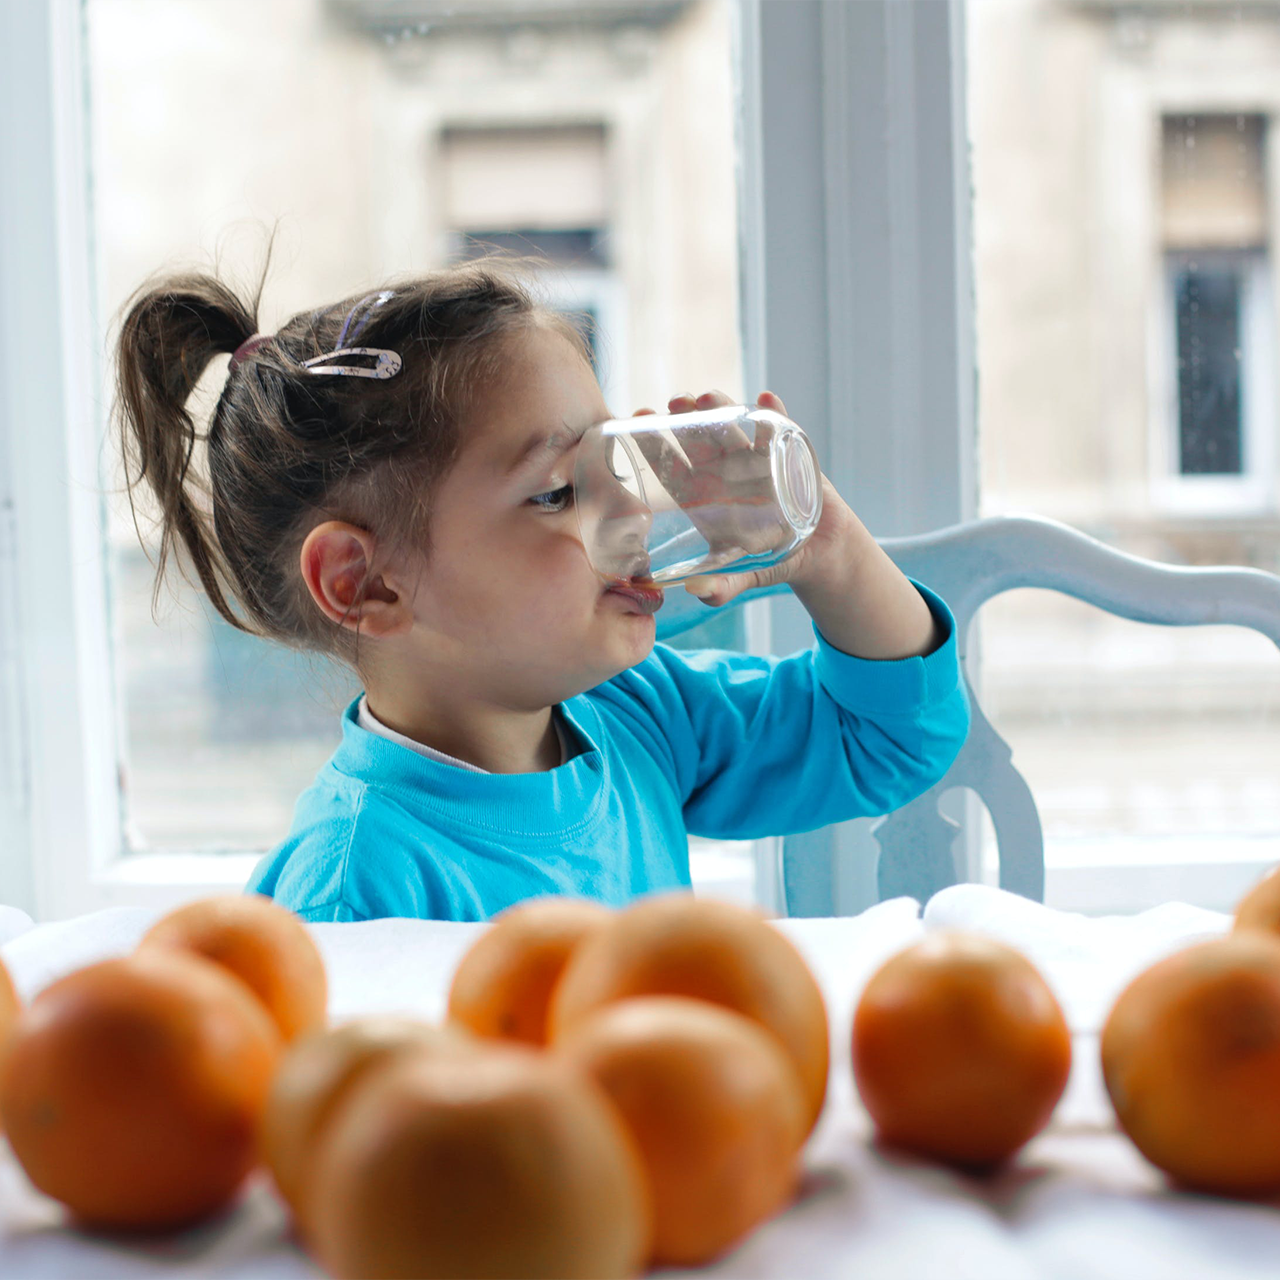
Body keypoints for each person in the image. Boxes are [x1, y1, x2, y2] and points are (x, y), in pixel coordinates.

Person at [114, 259, 969, 922]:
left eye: (616, 461)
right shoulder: (357, 887)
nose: (631, 506)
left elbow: (890, 737)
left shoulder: (635, 711)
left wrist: (831, 549)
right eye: (560, 490)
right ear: (365, 582)